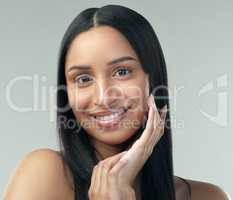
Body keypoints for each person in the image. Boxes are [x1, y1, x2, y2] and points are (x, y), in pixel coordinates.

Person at [3, 4, 229, 200]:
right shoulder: (45, 175)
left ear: (153, 78)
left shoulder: (207, 196)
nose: (104, 97)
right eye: (83, 79)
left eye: (122, 72)